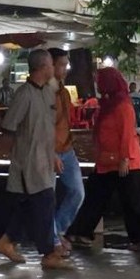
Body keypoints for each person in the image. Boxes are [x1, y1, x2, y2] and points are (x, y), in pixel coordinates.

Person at [0, 49, 69, 270]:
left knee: (28, 207)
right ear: (42, 68)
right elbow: (8, 128)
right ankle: (48, 252)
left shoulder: (47, 93)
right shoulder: (24, 95)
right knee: (44, 204)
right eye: (50, 65)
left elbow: (46, 129)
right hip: (28, 165)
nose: (53, 69)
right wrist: (16, 156)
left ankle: (7, 241)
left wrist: (53, 154)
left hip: (44, 161)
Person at [69, 67, 140, 251]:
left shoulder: (123, 105)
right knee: (96, 197)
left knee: (132, 201)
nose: (98, 84)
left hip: (125, 163)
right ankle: (80, 232)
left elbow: (126, 134)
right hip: (107, 162)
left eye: (100, 81)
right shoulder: (107, 105)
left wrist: (124, 158)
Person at [48, 48, 85, 256]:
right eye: (61, 64)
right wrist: (51, 152)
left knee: (78, 192)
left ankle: (58, 230)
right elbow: (44, 125)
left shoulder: (62, 90)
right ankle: (53, 240)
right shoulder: (46, 92)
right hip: (51, 150)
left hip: (67, 149)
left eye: (66, 64)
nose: (65, 69)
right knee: (48, 198)